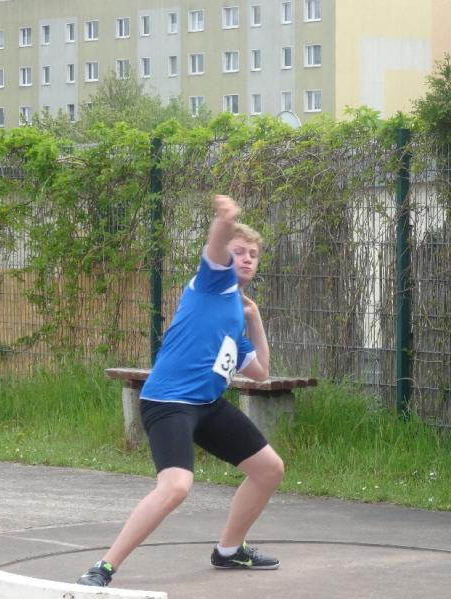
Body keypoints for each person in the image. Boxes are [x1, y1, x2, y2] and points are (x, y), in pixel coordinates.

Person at [77, 194, 284, 587]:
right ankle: (103, 568)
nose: (246, 259)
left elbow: (260, 372)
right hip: (168, 402)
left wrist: (255, 319)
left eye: (253, 255)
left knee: (269, 469)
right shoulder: (213, 282)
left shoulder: (235, 314)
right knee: (176, 487)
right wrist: (226, 220)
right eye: (239, 251)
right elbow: (215, 245)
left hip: (207, 405)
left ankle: (229, 551)